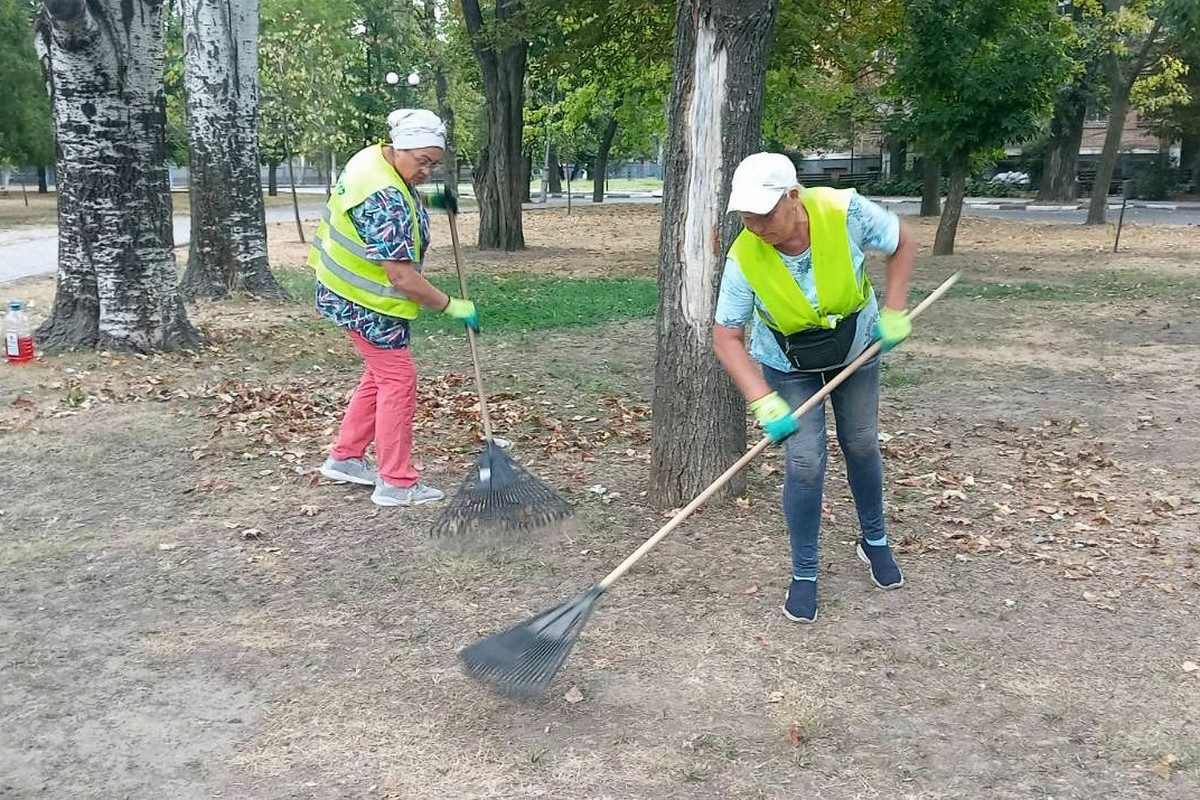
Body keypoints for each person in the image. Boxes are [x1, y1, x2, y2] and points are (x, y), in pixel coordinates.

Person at [712, 152, 917, 623]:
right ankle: (804, 571)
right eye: (745, 217)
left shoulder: (843, 212)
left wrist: (895, 309)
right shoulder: (744, 255)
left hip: (857, 347)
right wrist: (761, 400)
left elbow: (903, 242)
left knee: (862, 442)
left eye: (764, 215)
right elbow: (726, 337)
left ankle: (875, 540)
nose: (756, 226)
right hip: (788, 362)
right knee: (804, 461)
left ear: (792, 197)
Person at [308, 108, 478, 507]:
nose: (427, 172)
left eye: (434, 166)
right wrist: (452, 306)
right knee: (398, 380)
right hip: (364, 300)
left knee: (380, 376)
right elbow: (401, 276)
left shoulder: (372, 159)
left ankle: (346, 457)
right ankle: (396, 482)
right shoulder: (386, 200)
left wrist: (434, 199)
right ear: (401, 149)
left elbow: (398, 193)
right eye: (422, 163)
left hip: (340, 287)